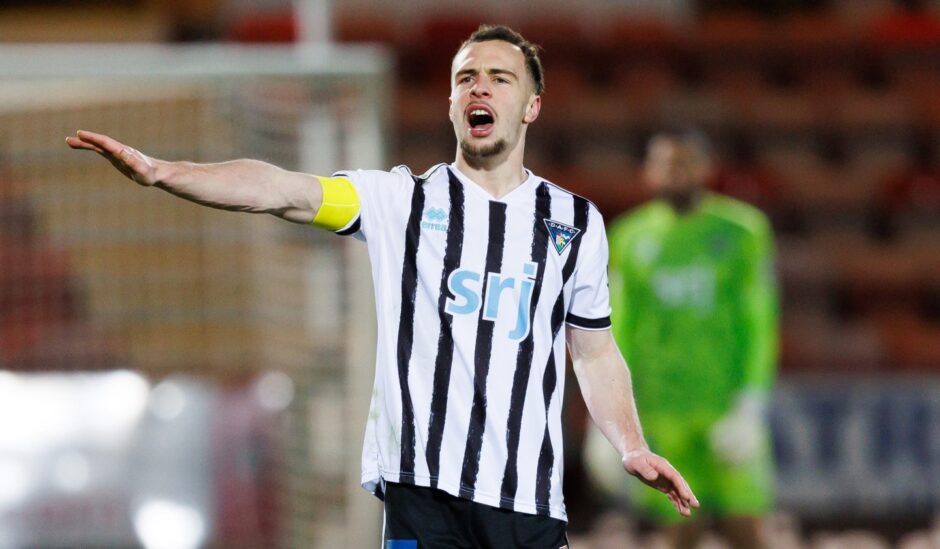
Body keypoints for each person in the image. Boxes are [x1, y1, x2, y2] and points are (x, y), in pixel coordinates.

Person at [66, 25, 697, 548]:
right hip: (421, 493)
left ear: (530, 106)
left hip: (527, 498)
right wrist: (165, 171)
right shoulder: (402, 201)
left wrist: (631, 444)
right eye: (465, 79)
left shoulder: (574, 222)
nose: (479, 87)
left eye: (500, 78)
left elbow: (593, 349)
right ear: (452, 105)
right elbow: (282, 189)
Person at [597, 129, 778, 548]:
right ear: (649, 172)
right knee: (679, 530)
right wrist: (610, 423)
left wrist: (751, 402)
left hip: (724, 404)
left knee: (747, 527)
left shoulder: (743, 232)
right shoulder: (630, 237)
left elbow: (760, 320)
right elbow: (617, 328)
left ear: (705, 167)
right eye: (666, 164)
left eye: (685, 163)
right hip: (662, 410)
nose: (675, 173)